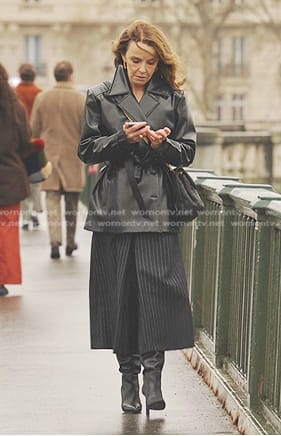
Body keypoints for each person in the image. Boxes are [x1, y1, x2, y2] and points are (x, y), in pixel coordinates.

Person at [78, 20, 196, 416]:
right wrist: (121, 139)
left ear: (159, 62)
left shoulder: (173, 98)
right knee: (120, 296)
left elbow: (187, 152)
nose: (142, 68)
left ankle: (153, 376)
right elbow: (87, 150)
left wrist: (165, 145)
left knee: (158, 296)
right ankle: (128, 379)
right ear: (122, 58)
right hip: (115, 209)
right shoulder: (99, 96)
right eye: (135, 61)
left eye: (149, 61)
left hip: (158, 210)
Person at [31, 61, 85, 259]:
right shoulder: (81, 100)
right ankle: (70, 242)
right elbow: (87, 132)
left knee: (52, 201)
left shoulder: (42, 98)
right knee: (72, 204)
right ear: (70, 75)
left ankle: (55, 241)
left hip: (49, 158)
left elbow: (34, 130)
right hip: (73, 157)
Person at [0, 64, 33, 296]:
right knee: (8, 232)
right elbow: (25, 141)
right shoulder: (15, 107)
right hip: (11, 178)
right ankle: (3, 278)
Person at [15, 63, 43, 230]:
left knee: (23, 179)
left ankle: (25, 216)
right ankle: (35, 211)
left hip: (20, 143)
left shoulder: (15, 93)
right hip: (36, 143)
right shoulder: (39, 93)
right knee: (36, 180)